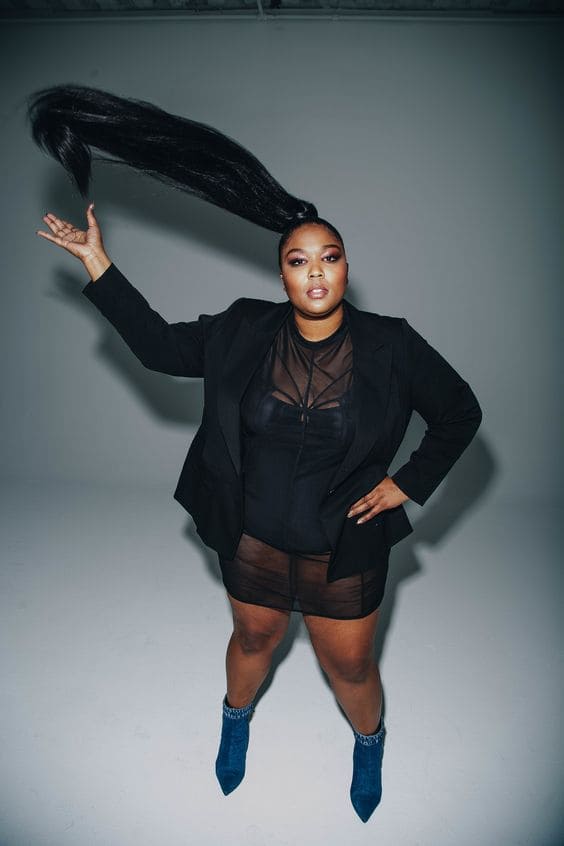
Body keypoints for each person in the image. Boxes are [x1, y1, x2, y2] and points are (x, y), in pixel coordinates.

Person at [28, 85, 483, 823]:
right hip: (255, 533)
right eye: (300, 260)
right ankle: (234, 720)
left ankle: (370, 740)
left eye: (329, 257)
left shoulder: (393, 346)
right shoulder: (242, 329)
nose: (315, 272)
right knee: (252, 638)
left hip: (344, 541)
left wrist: (409, 482)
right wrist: (99, 264)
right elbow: (159, 348)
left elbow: (461, 412)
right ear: (282, 275)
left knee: (350, 665)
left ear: (346, 267)